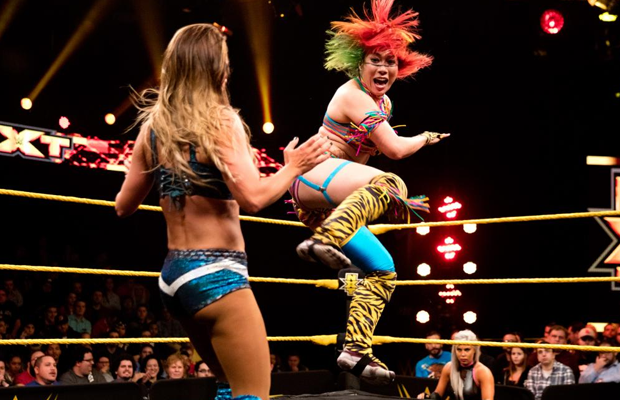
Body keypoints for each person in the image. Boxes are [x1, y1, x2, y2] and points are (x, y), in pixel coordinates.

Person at [115, 23, 330, 400]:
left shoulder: (152, 129)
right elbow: (253, 198)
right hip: (216, 273)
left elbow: (123, 206)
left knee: (229, 387)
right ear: (217, 69)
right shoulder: (221, 122)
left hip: (173, 278)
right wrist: (294, 167)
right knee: (253, 394)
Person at [288, 0, 447, 384]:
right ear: (358, 64)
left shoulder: (383, 103)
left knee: (383, 270)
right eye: (376, 60)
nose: (384, 68)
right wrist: (425, 138)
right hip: (315, 177)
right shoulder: (352, 95)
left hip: (335, 201)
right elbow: (394, 150)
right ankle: (325, 240)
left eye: (390, 62)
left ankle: (355, 349)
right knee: (392, 183)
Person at [417, 330, 494, 400]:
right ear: (454, 350)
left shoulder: (483, 372)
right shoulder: (448, 367)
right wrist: (427, 396)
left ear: (474, 350)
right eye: (459, 349)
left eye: (467, 349)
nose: (463, 354)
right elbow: (437, 395)